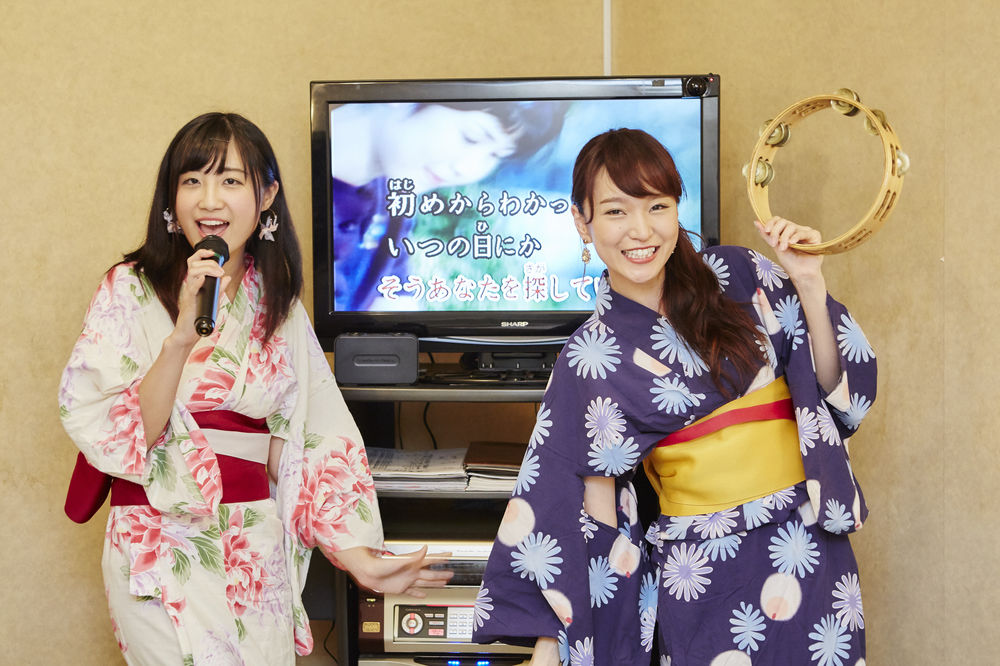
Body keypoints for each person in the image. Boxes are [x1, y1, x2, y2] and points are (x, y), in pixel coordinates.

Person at [58, 112, 452, 664]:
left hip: (252, 545)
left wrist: (357, 556)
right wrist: (179, 338)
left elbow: (311, 437)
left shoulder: (278, 304)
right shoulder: (129, 289)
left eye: (230, 180)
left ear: (266, 195)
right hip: (156, 539)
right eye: (192, 180)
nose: (209, 200)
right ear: (172, 197)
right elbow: (119, 432)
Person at [472, 129, 876, 665]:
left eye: (657, 206)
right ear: (582, 222)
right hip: (701, 570)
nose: (641, 230)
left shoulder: (740, 274)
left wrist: (808, 283)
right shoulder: (589, 356)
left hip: (807, 546)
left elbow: (833, 395)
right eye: (615, 212)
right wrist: (555, 643)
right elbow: (581, 511)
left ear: (677, 209)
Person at [330, 100, 568, 311]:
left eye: (496, 155)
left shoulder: (393, 200)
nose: (467, 169)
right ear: (403, 98)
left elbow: (394, 295)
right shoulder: (310, 196)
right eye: (471, 137)